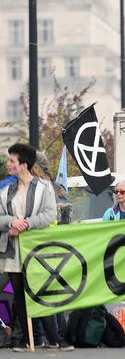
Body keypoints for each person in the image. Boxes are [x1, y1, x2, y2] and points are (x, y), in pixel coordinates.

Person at [0, 144, 73, 352]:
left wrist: (26, 223)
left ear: (23, 165)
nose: (9, 164)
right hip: (12, 249)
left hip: (35, 250)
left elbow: (50, 214)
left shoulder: (44, 187)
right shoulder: (6, 191)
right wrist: (11, 222)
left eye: (13, 161)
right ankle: (27, 339)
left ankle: (54, 337)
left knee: (38, 290)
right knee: (19, 295)